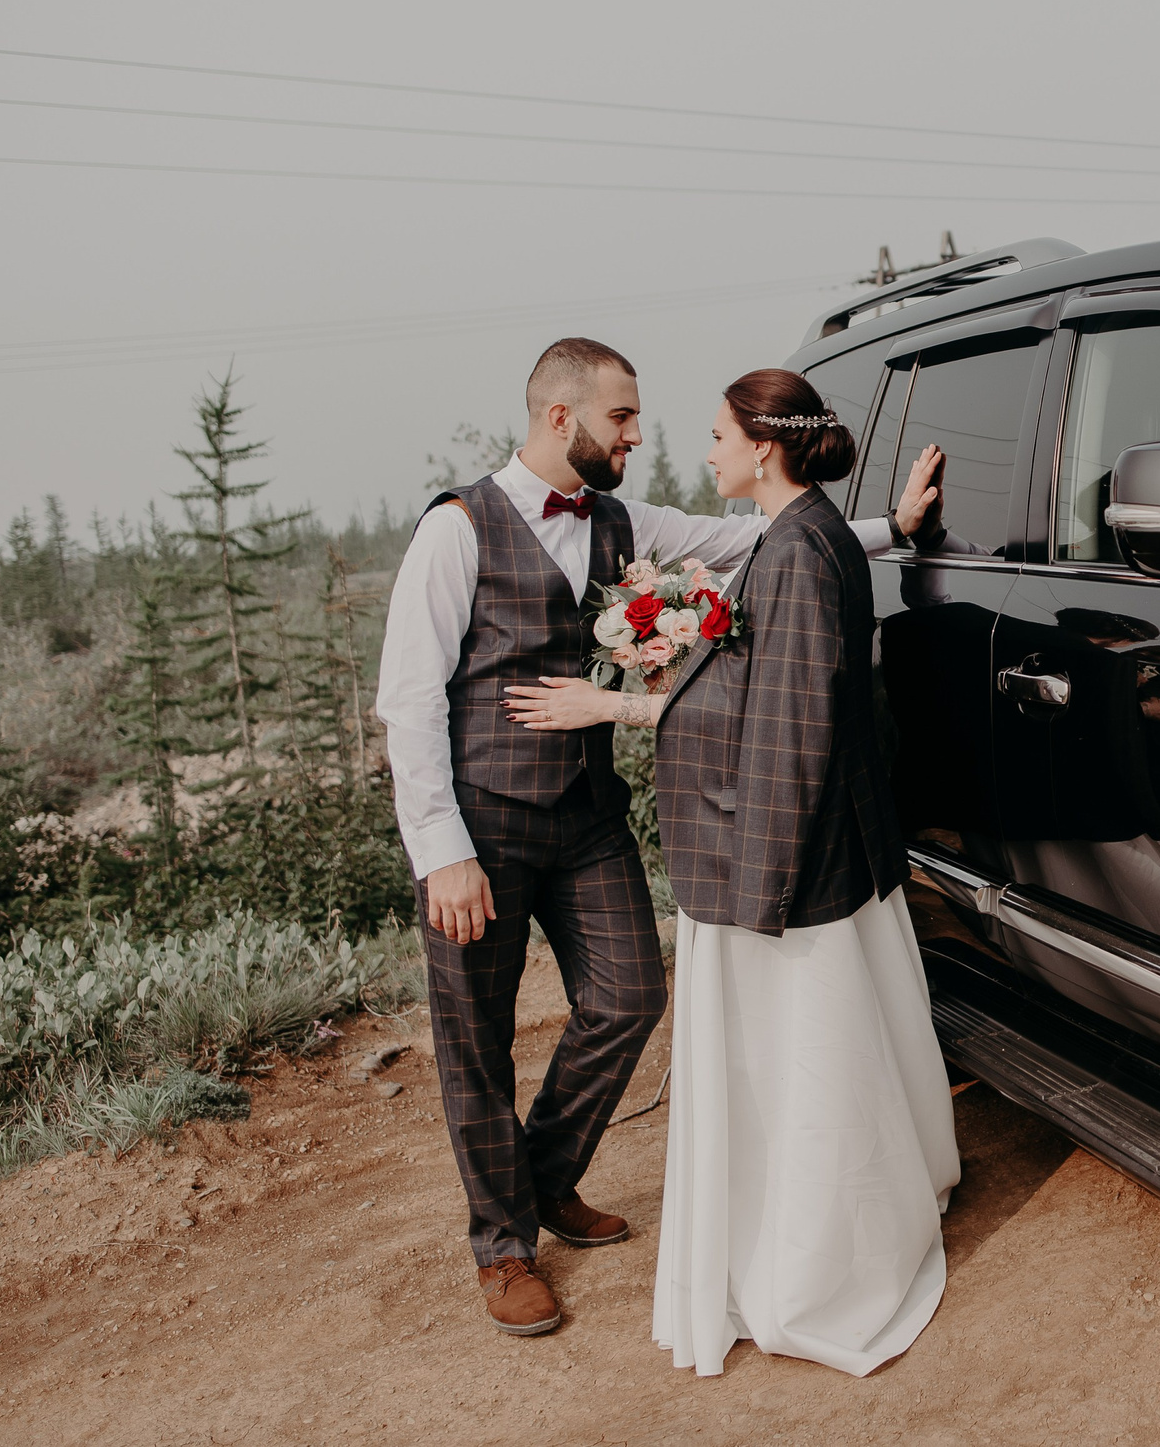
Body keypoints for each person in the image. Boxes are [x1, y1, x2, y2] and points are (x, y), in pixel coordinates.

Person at [375, 336, 944, 1337]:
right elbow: (407, 700)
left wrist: (889, 527)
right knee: (476, 1039)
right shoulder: (455, 531)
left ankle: (545, 1175)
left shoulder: (618, 518)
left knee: (632, 995)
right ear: (562, 420)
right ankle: (503, 1248)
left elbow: (756, 542)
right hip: (483, 826)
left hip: (586, 817)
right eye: (623, 419)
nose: (639, 435)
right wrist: (443, 851)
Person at [518, 366, 958, 1377]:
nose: (704, 450)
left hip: (771, 864)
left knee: (801, 1071)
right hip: (797, 850)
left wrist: (624, 706)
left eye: (717, 435)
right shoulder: (804, 535)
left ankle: (814, 1275)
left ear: (762, 445)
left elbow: (790, 729)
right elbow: (771, 682)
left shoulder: (799, 553)